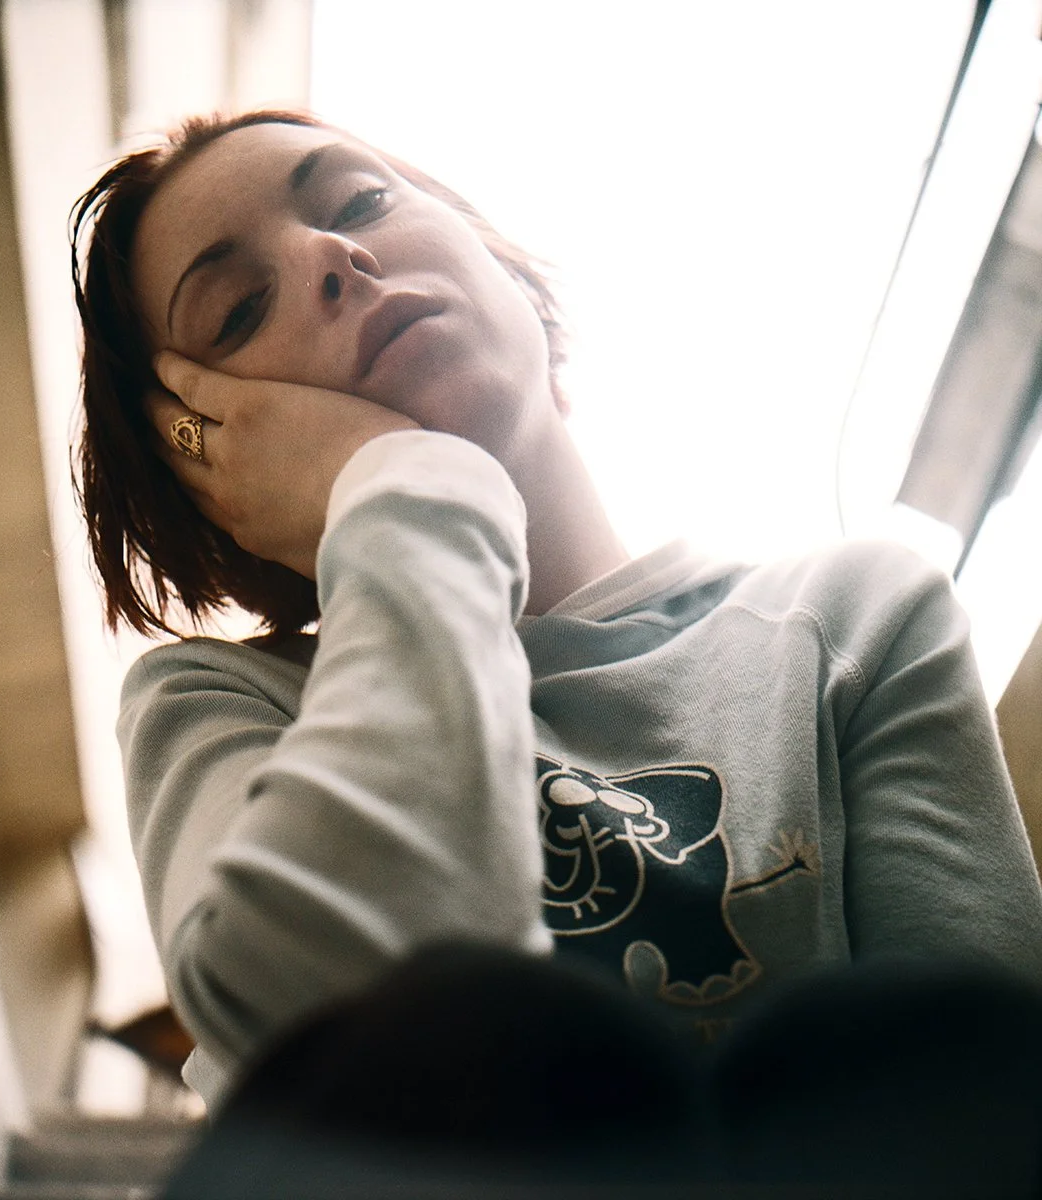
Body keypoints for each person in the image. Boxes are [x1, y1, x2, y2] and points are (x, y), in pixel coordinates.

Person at [71, 110, 1042, 1189]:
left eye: (361, 203)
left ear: (492, 256)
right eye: (239, 308)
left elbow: (983, 1093)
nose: (330, 257)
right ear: (204, 459)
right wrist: (413, 488)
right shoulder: (217, 699)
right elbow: (358, 1027)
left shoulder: (852, 613)